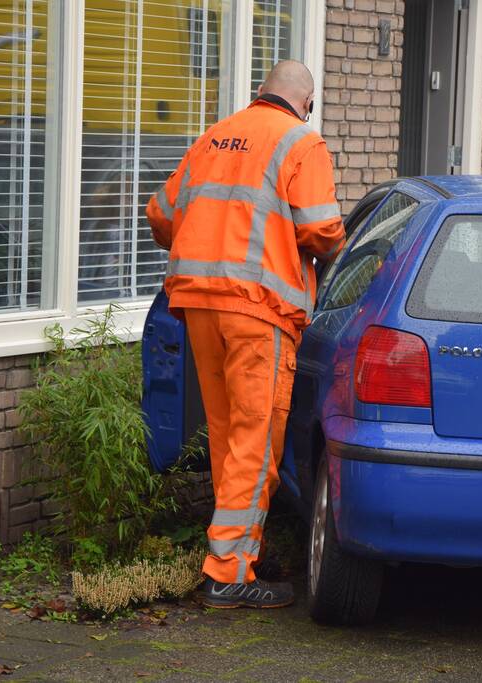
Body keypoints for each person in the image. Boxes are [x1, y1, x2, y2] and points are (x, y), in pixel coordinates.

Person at [146, 61, 346, 609]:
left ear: (261, 93)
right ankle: (229, 571)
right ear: (306, 102)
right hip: (259, 311)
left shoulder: (213, 137)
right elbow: (321, 230)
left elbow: (160, 216)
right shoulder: (302, 143)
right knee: (255, 445)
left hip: (197, 306)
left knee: (228, 435)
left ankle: (233, 548)